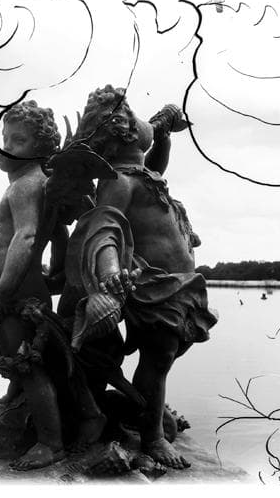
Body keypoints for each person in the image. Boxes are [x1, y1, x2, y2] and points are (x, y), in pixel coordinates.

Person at [68, 85, 217, 469]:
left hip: (179, 286)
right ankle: (152, 437)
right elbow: (104, 229)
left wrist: (164, 137)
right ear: (126, 133)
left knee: (166, 354)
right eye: (136, 118)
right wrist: (110, 272)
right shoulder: (118, 181)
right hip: (152, 287)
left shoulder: (142, 173)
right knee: (159, 355)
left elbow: (157, 165)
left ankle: (144, 407)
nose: (145, 122)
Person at [0, 100, 68, 470]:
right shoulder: (35, 184)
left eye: (18, 140)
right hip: (5, 288)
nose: (6, 147)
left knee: (26, 365)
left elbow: (26, 236)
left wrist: (5, 291)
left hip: (14, 293)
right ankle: (16, 389)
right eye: (6, 138)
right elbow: (60, 235)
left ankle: (51, 442)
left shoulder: (26, 185)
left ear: (41, 148)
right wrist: (56, 272)